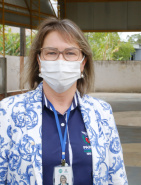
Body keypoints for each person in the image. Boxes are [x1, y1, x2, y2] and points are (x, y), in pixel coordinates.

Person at [0, 17, 128, 185]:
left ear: (83, 63)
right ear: (39, 60)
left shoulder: (102, 113)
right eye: (51, 53)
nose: (60, 60)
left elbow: (116, 175)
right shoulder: (8, 112)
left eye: (70, 53)